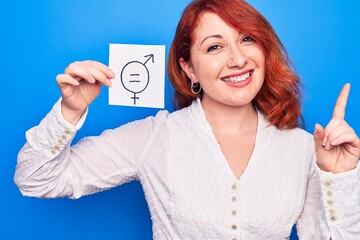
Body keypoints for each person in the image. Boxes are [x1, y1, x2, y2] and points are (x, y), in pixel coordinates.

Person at [14, 0, 360, 239]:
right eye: (214, 47)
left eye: (247, 39)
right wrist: (69, 112)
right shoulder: (156, 137)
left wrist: (340, 178)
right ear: (188, 67)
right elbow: (36, 180)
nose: (238, 58)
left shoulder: (302, 148)